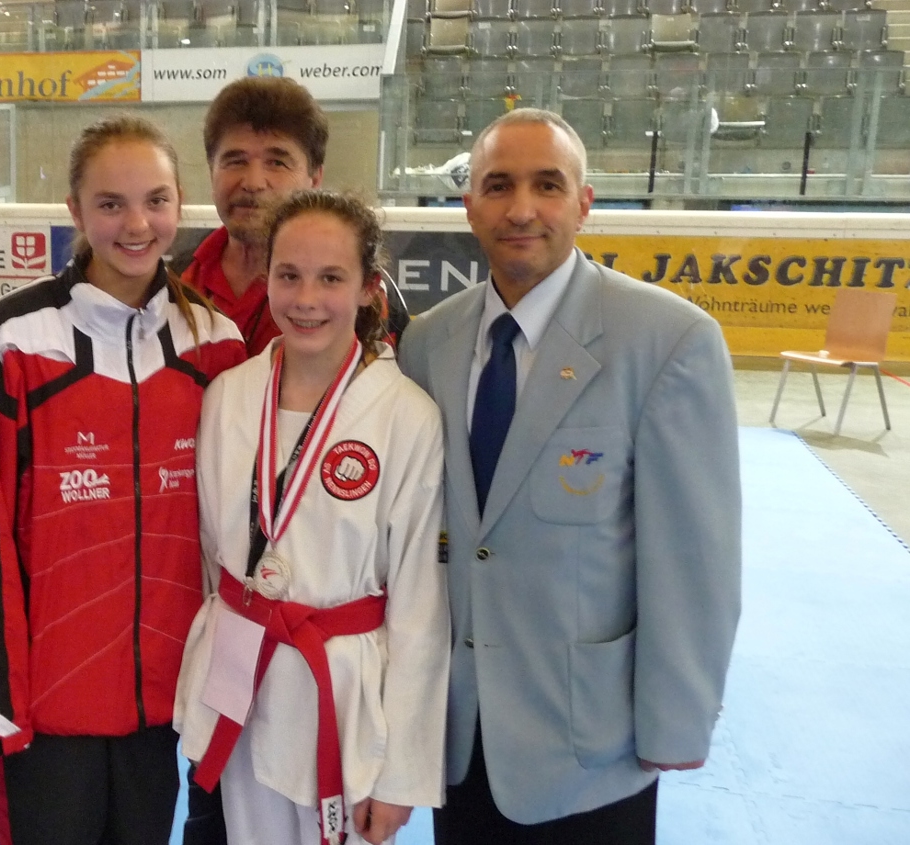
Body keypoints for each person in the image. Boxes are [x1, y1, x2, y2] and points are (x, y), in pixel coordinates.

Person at [398, 107, 742, 844]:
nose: (521, 208)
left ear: (584, 203)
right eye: (498, 185)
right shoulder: (427, 343)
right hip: (458, 733)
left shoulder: (668, 341)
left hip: (591, 741)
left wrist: (677, 719)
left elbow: (694, 561)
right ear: (470, 206)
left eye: (547, 185)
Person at [0, 115, 246, 845]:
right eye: (111, 203)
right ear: (75, 211)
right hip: (45, 706)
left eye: (156, 200)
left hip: (167, 698)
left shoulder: (216, 343)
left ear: (180, 204)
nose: (136, 224)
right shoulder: (18, 336)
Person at [173, 191, 450, 845]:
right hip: (241, 678)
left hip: (344, 698)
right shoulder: (228, 396)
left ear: (369, 288)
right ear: (267, 277)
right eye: (289, 275)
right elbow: (212, 551)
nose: (306, 299)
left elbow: (420, 608)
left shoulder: (407, 416)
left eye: (331, 278)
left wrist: (401, 775)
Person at [181, 78, 325, 357]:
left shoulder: (352, 294)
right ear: (211, 172)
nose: (253, 183)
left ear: (315, 179)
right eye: (236, 161)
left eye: (277, 162)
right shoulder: (174, 282)